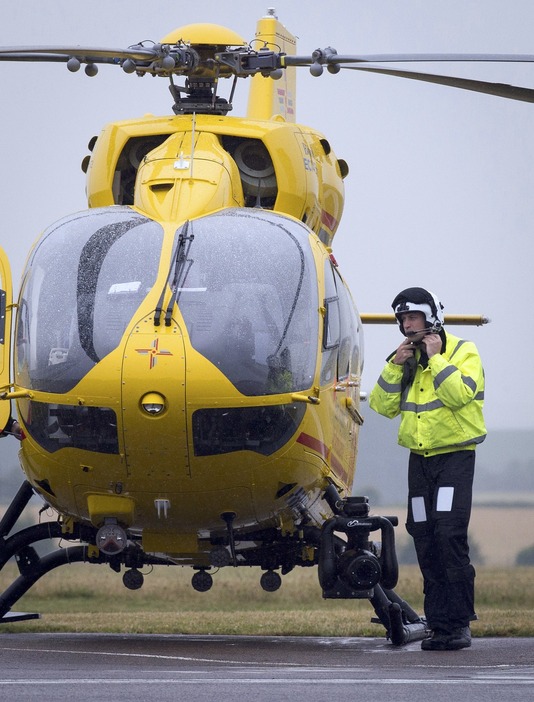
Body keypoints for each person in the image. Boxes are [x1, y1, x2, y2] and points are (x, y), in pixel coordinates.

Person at [369, 287, 486, 651]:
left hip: (454, 458)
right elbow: (380, 406)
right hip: (419, 462)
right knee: (424, 536)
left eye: (413, 318)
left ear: (431, 316)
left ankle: (459, 625)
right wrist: (395, 365)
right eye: (402, 319)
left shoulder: (463, 351)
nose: (407, 325)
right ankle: (438, 624)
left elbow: (459, 395)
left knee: (449, 537)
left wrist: (435, 359)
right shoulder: (405, 359)